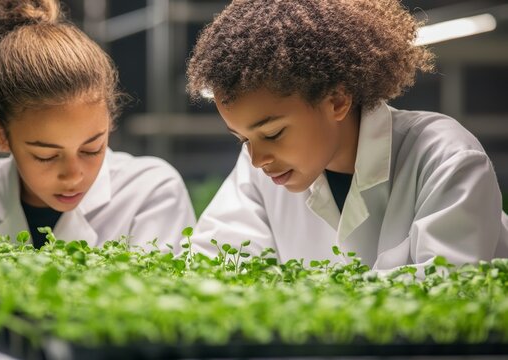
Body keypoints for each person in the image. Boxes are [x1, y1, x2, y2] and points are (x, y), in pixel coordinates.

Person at [186, 0, 508, 271]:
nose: (257, 160)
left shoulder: (446, 160)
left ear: (337, 100)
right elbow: (209, 270)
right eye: (243, 139)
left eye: (273, 132)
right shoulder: (258, 173)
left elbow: (444, 312)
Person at [0, 0, 195, 250]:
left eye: (92, 149)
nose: (73, 175)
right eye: (46, 156)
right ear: (1, 133)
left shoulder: (151, 194)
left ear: (109, 122)